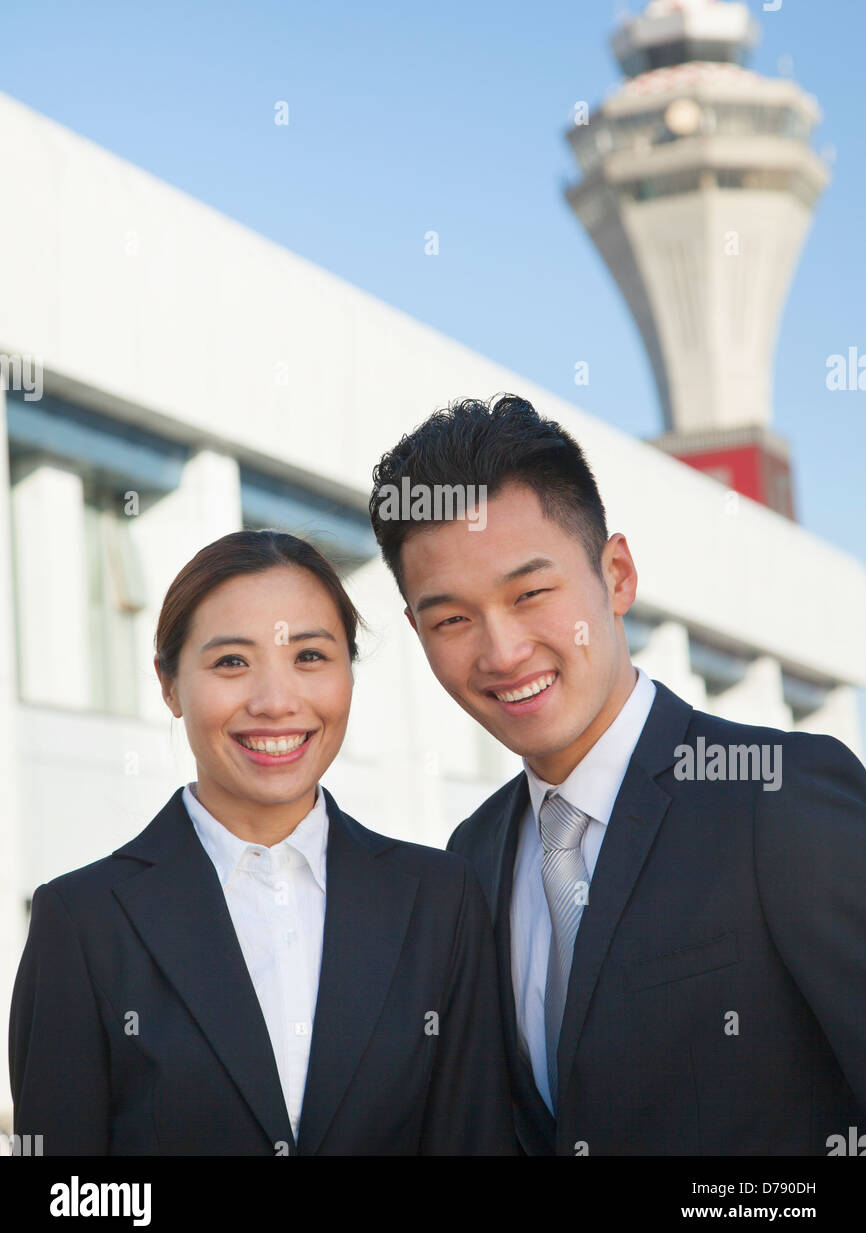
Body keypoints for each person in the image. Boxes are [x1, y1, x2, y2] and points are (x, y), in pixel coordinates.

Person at [368, 393, 866, 1156]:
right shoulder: (471, 855)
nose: (501, 653)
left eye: (531, 594)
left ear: (618, 575)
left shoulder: (778, 794)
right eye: (452, 620)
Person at [9, 529, 516, 1156]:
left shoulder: (442, 901)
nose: (276, 703)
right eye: (231, 662)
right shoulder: (83, 921)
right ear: (169, 685)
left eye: (309, 657)